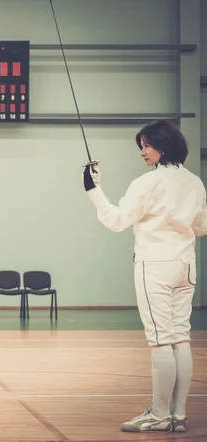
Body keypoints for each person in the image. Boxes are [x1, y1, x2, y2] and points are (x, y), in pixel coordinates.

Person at [82, 119, 207, 433]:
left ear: (163, 145)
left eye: (146, 145)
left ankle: (160, 414)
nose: (142, 152)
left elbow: (116, 220)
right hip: (186, 266)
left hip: (155, 266)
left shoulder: (145, 183)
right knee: (180, 338)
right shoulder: (195, 182)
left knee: (161, 342)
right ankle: (177, 416)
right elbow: (202, 227)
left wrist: (92, 189)